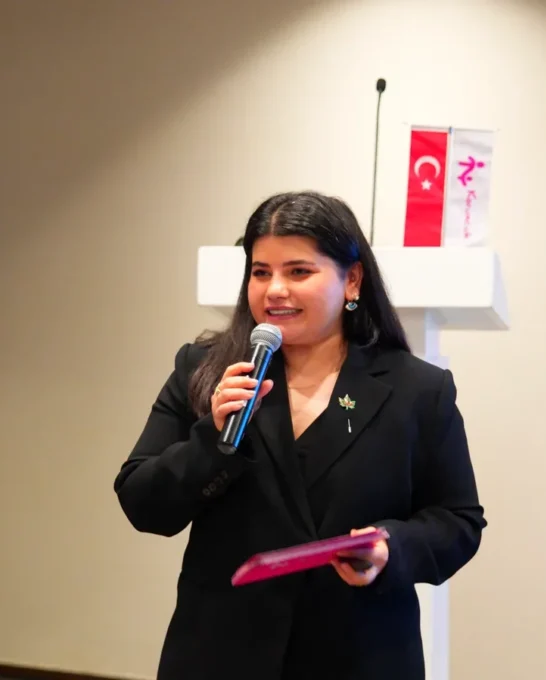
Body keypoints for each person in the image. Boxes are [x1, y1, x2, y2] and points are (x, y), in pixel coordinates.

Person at [113, 190, 487, 680]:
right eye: (260, 272)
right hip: (223, 653)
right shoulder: (204, 369)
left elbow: (458, 521)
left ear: (352, 280)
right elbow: (143, 504)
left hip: (359, 653)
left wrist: (390, 548)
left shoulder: (416, 388)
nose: (274, 290)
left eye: (298, 272)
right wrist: (212, 439)